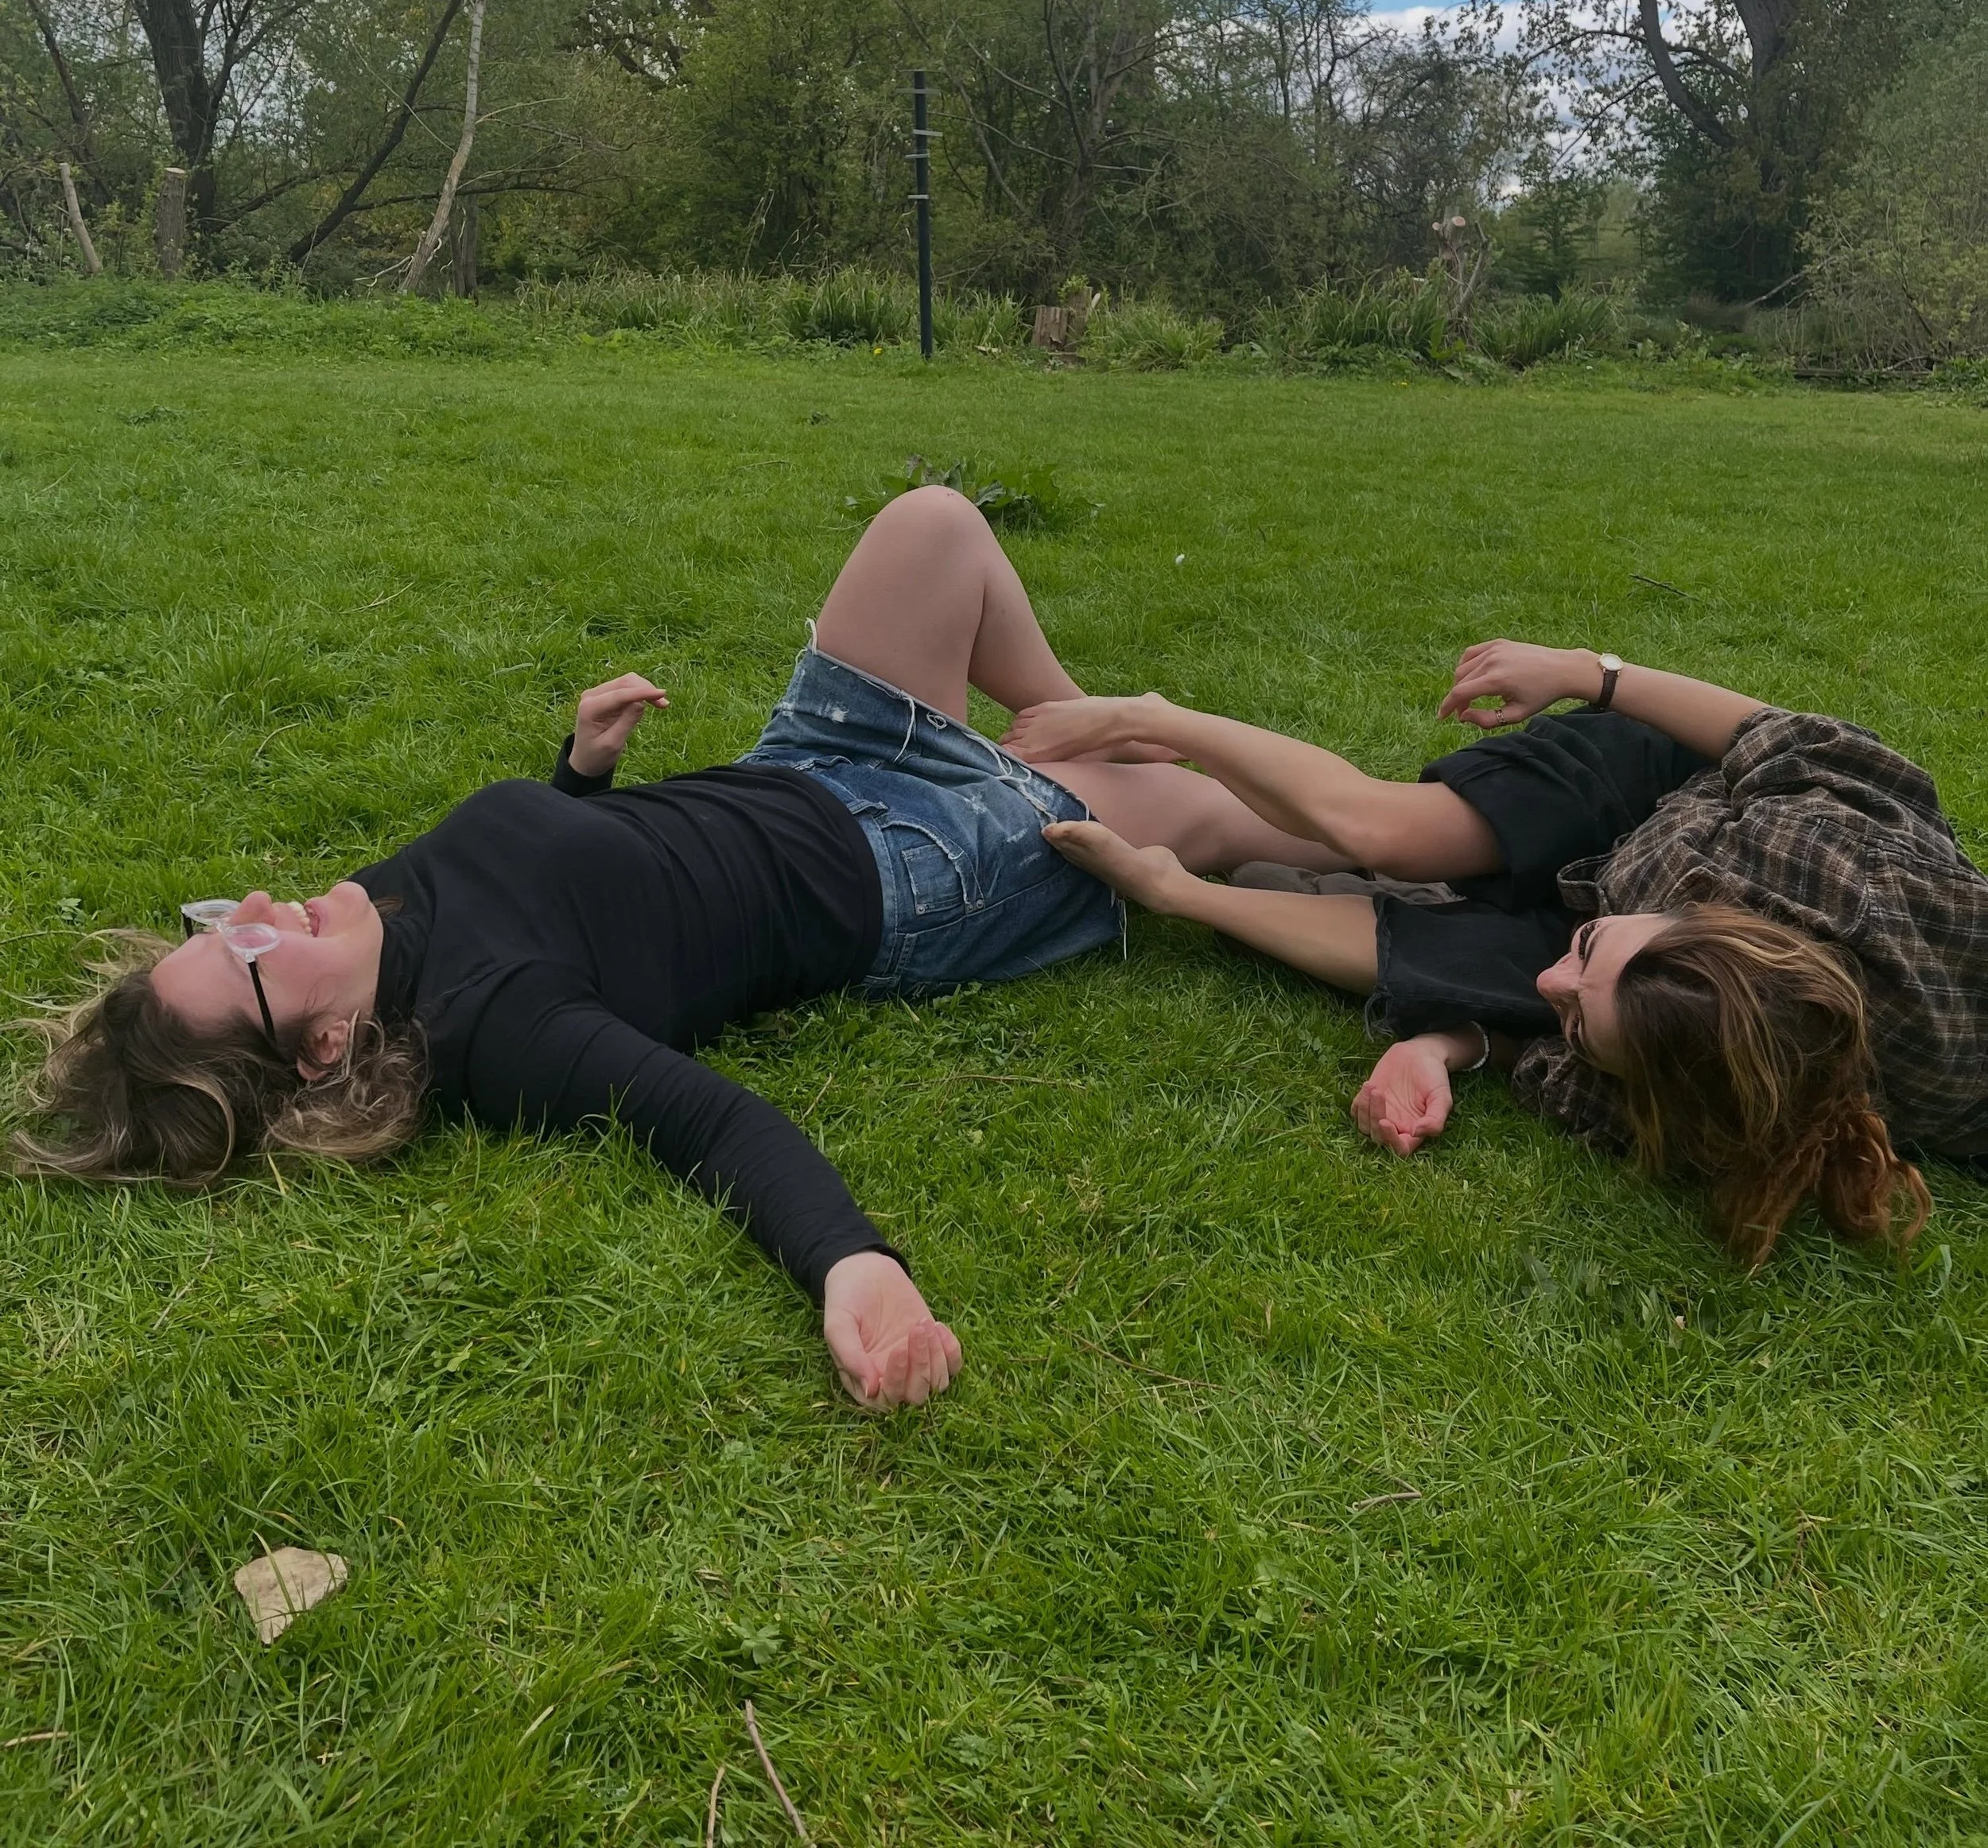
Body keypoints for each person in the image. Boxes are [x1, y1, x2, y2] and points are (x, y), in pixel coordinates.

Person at [10, 487, 1345, 1407]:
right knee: (1223, 814)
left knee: (934, 524)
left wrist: (578, 776)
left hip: (810, 759)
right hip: (911, 872)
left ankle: (1071, 731)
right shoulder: (501, 1030)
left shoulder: (356, 911)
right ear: (322, 1046)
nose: (252, 904)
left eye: (217, 920)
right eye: (244, 951)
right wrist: (854, 1264)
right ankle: (1372, 866)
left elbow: (543, 880)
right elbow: (709, 1123)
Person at [1015, 643, 1988, 1261]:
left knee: (1456, 974)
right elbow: (1758, 731)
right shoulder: (1834, 853)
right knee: (1390, 839)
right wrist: (1586, 674)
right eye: (1587, 960)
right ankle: (1149, 718)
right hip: (1656, 796)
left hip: (1650, 929)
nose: (1550, 979)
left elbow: (1571, 1059)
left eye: (1577, 1012)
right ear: (1700, 915)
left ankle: (1192, 872)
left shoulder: (1722, 1095)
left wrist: (1448, 1045)